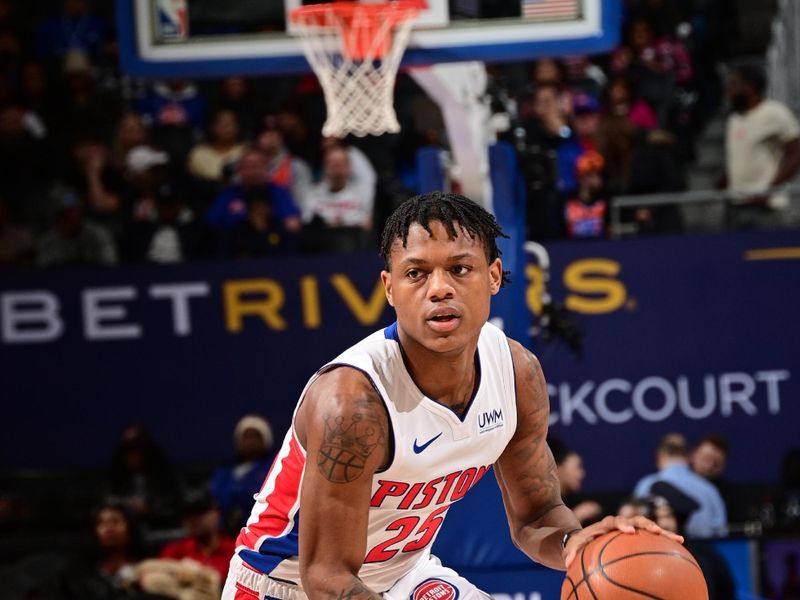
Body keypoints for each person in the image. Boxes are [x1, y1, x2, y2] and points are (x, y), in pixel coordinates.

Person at [221, 192, 681, 599]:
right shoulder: (352, 401)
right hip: (285, 587)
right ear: (390, 289)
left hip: (400, 575)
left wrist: (577, 546)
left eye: (460, 268)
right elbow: (326, 578)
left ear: (494, 276)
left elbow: (538, 515)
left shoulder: (517, 373)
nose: (439, 289)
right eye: (416, 274)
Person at [724, 64, 800, 229]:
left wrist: (769, 190)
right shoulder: (734, 118)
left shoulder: (774, 112)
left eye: (734, 84)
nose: (729, 90)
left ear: (750, 86)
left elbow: (795, 153)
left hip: (765, 207)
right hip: (736, 204)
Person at [634, 432, 728, 539]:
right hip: (700, 553)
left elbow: (636, 527)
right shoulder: (709, 490)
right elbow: (721, 533)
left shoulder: (646, 485)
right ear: (688, 456)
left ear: (659, 455)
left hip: (657, 550)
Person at [210, 415, 276, 534]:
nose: (250, 441)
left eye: (256, 436)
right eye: (246, 437)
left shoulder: (275, 467)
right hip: (224, 533)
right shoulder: (224, 472)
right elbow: (214, 499)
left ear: (266, 440)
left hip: (261, 530)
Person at [159, 491, 236, 581]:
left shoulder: (235, 552)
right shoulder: (175, 552)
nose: (193, 519)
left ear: (216, 513)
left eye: (200, 511)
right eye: (187, 514)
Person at [548, 436, 602, 525]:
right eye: (578, 467)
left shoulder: (573, 501)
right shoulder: (541, 504)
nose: (582, 474)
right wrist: (577, 516)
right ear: (558, 469)